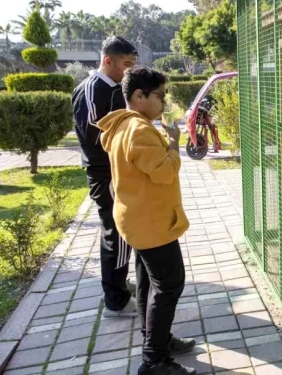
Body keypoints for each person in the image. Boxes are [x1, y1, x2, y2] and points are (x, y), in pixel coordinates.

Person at [97, 66, 196, 375]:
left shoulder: (124, 125)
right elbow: (165, 172)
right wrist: (173, 143)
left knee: (146, 284)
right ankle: (154, 360)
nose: (163, 102)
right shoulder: (138, 129)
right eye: (159, 96)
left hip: (136, 220)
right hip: (152, 224)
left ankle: (157, 338)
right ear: (138, 96)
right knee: (169, 286)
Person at [72, 36, 138, 318]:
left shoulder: (115, 88)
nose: (129, 71)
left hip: (119, 171)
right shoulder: (91, 89)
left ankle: (119, 285)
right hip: (105, 174)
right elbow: (94, 136)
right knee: (117, 233)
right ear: (108, 60)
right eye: (126, 64)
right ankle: (116, 301)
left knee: (123, 231)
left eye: (133, 65)